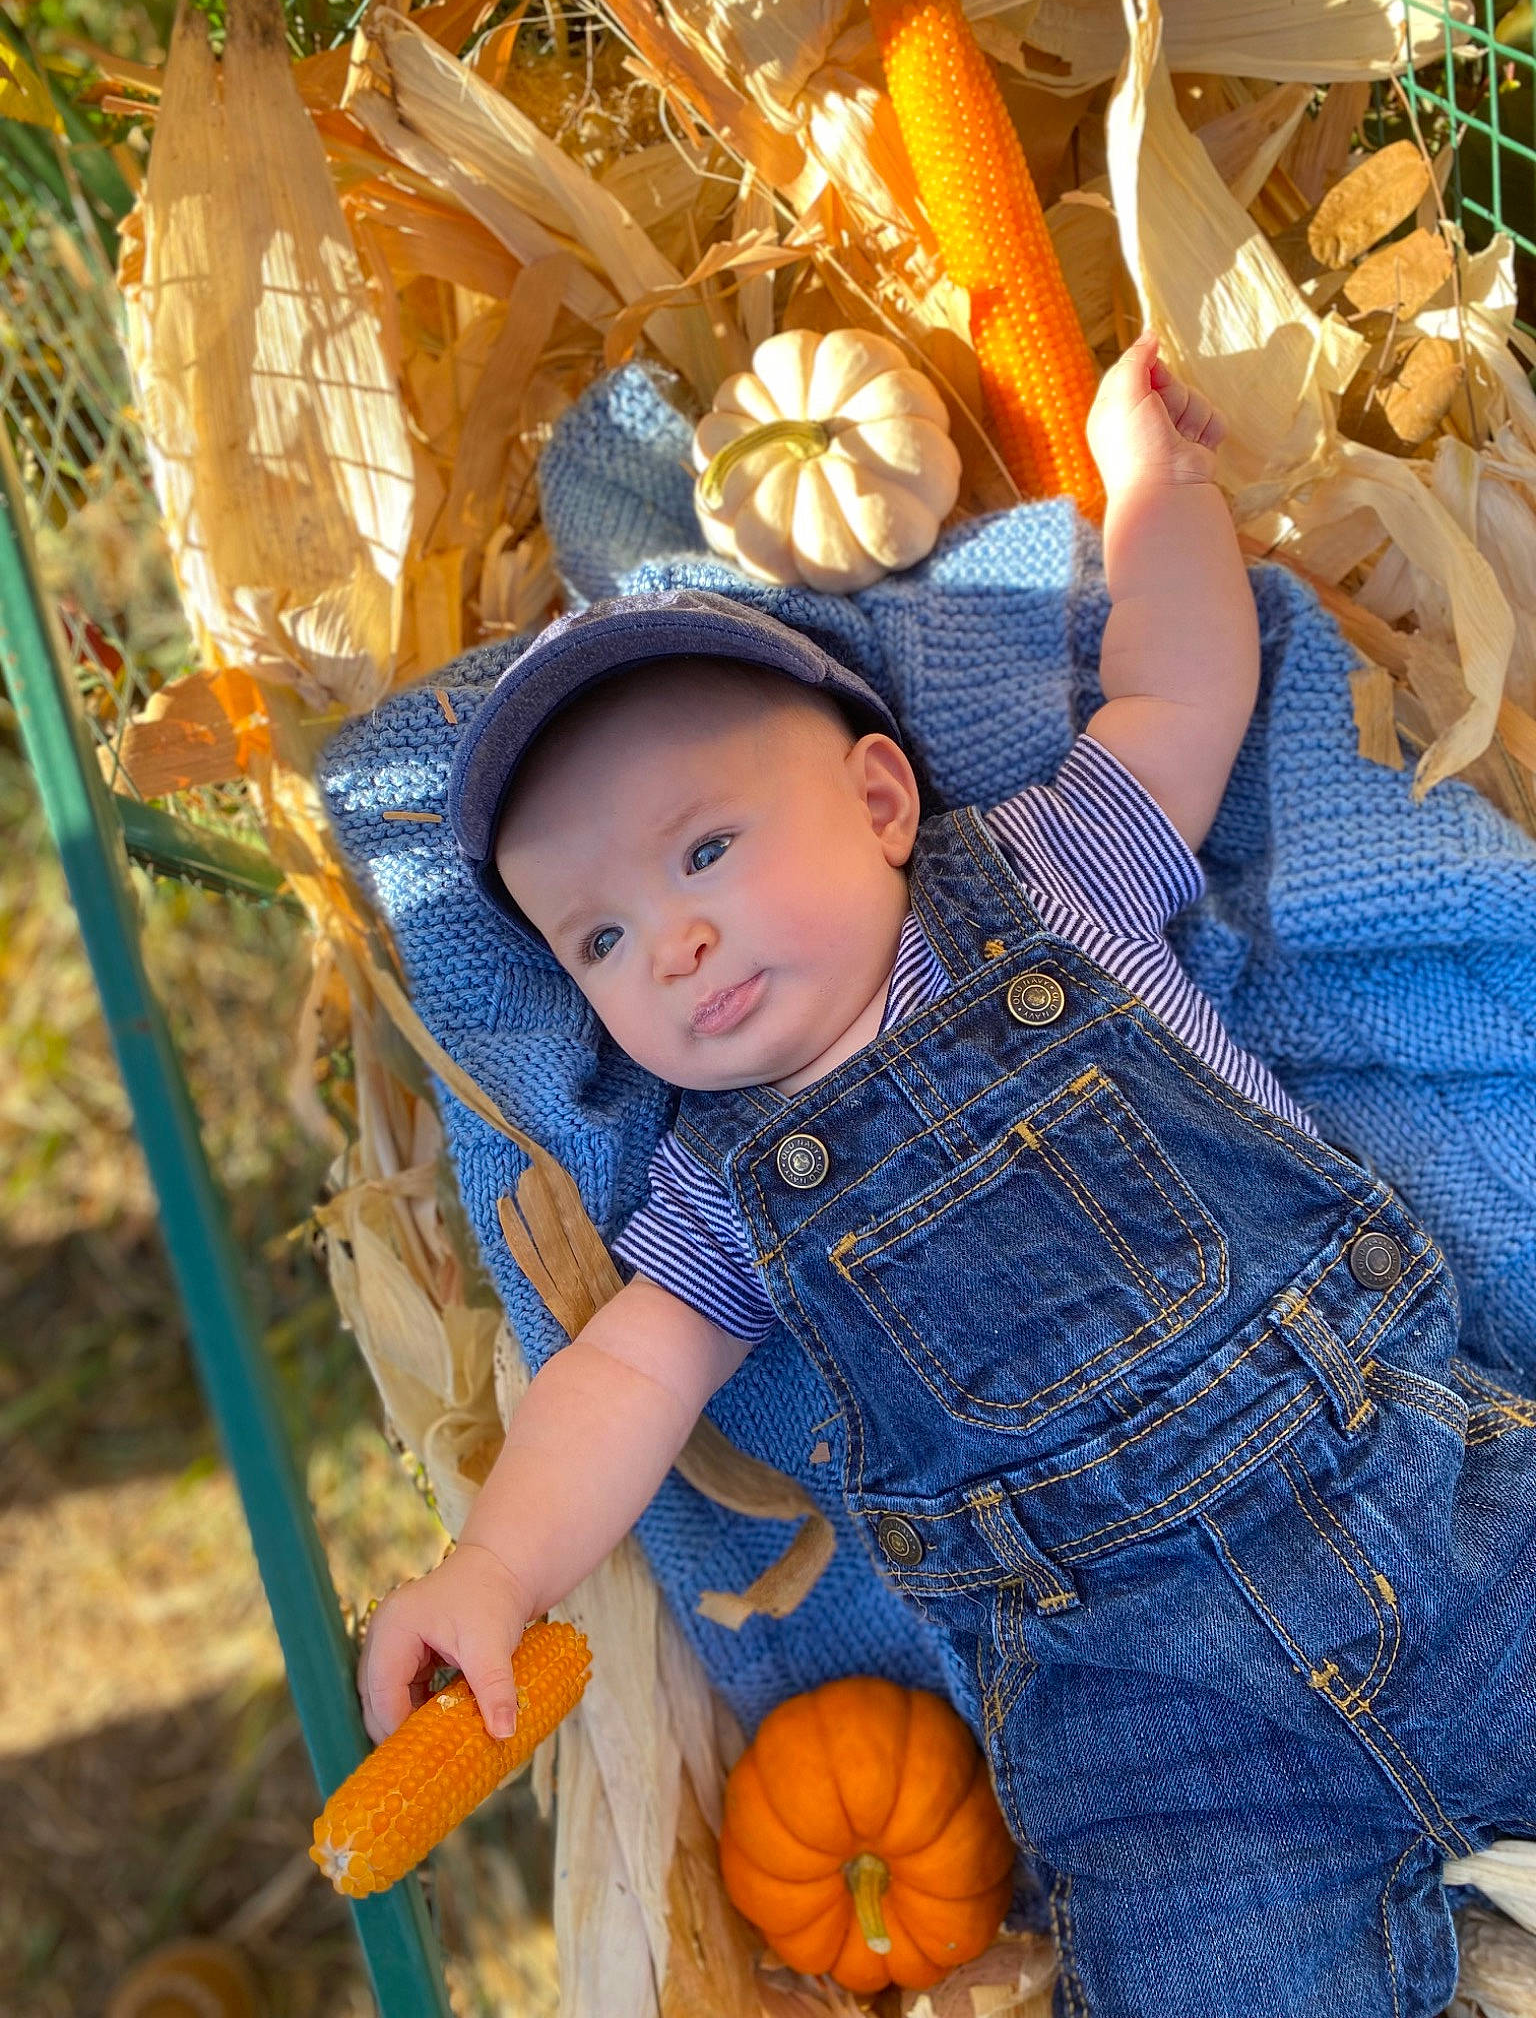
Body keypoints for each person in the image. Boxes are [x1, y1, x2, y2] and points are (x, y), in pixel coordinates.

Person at [356, 331, 1536, 2015]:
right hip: (1159, 1746)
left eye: (707, 849)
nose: (673, 942)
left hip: (1413, 1507)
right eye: (599, 938)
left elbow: (1181, 695)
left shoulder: (1055, 881)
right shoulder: (721, 1193)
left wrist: (1156, 487)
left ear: (882, 798)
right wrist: (492, 1572)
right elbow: (617, 1379)